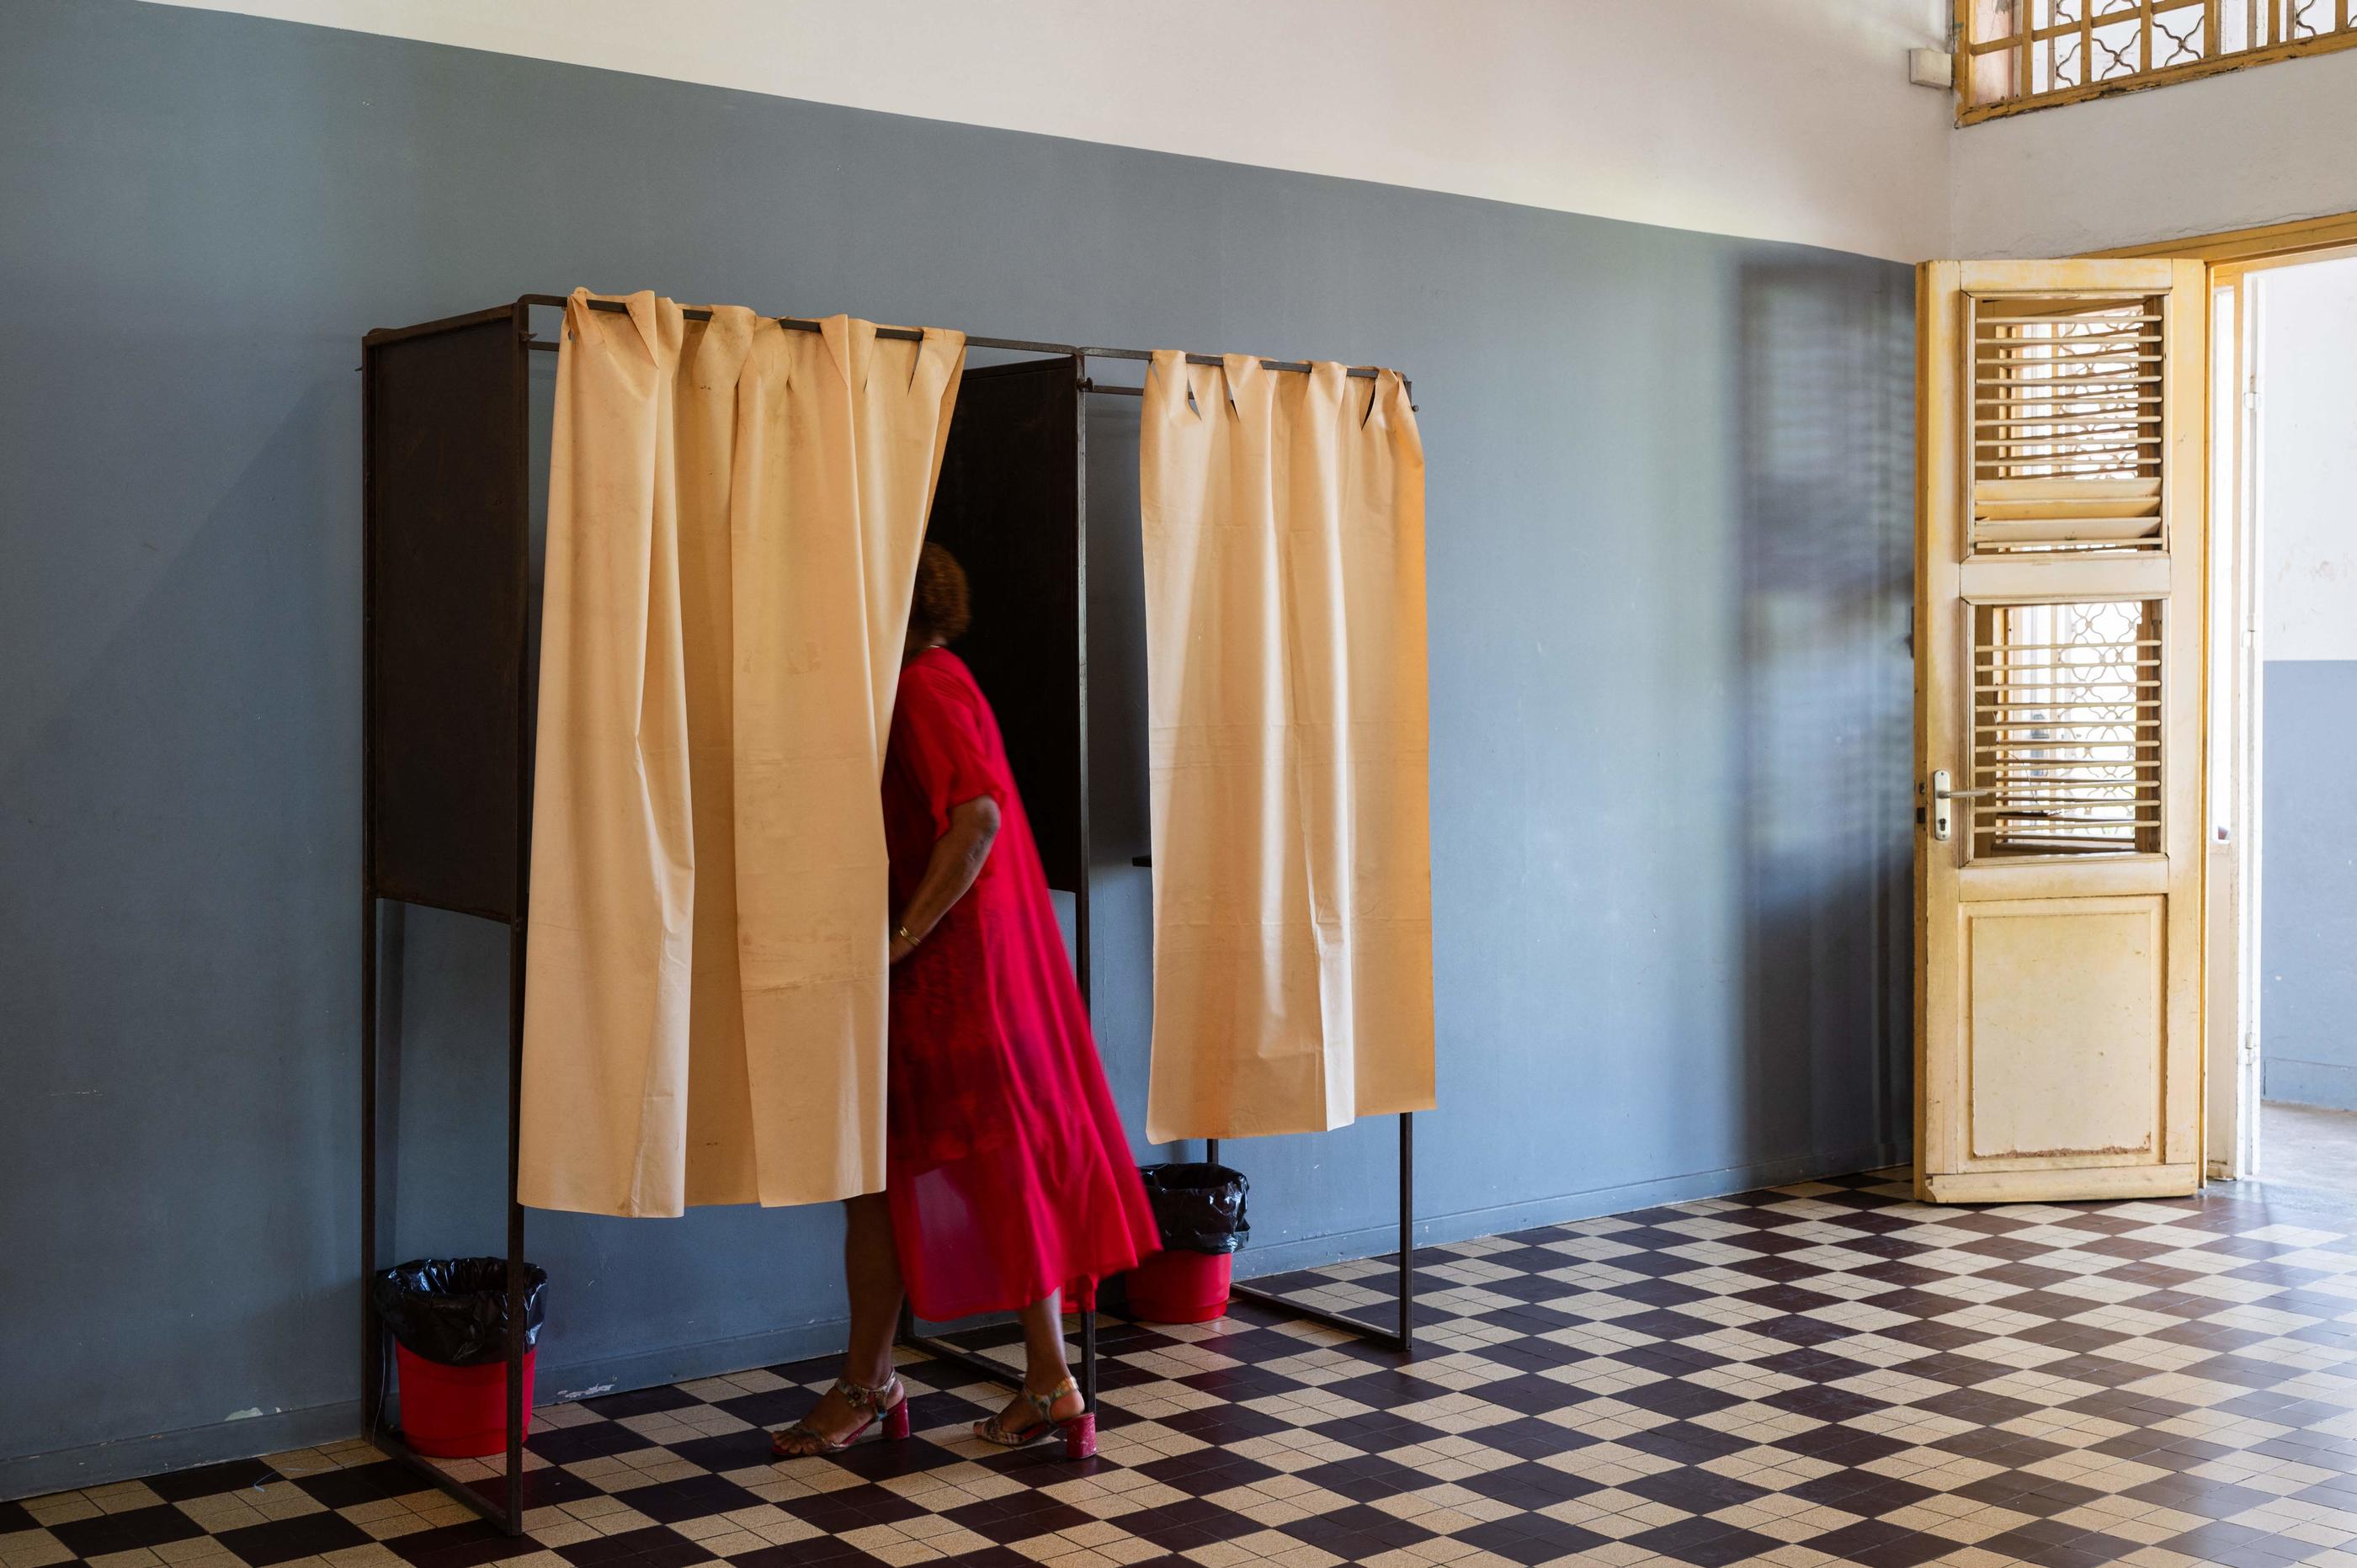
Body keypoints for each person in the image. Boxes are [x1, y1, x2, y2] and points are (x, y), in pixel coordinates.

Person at [772, 543, 1158, 1459]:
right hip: (973, 971)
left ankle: (873, 1384)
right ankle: (1048, 1382)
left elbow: (976, 818)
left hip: (944, 980)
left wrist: (898, 941)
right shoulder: (942, 674)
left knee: (880, 1181)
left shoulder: (915, 689)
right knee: (994, 1168)